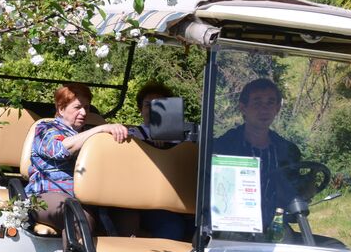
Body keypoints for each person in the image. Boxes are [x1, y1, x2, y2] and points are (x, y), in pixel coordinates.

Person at [27, 82, 133, 252]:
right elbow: (61, 149)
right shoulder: (46, 129)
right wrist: (101, 129)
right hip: (46, 196)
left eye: (87, 107)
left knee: (128, 212)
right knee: (74, 210)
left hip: (85, 199)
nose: (84, 112)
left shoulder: (89, 136)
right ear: (60, 108)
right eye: (78, 107)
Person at [214, 77, 303, 234]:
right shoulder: (222, 147)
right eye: (257, 102)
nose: (264, 109)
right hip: (231, 227)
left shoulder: (288, 151)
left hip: (275, 227)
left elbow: (294, 194)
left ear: (277, 108)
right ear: (243, 108)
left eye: (270, 102)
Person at [125, 81, 194, 241]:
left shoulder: (183, 138)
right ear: (140, 109)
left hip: (180, 199)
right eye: (148, 105)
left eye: (160, 105)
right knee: (172, 227)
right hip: (149, 201)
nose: (153, 110)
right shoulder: (134, 135)